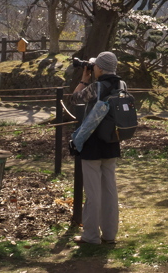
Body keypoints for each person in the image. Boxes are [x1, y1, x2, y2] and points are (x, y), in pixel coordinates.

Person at [70, 51, 123, 245]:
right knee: (109, 190)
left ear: (99, 68)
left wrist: (84, 79)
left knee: (93, 193)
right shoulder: (121, 85)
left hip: (93, 143)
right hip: (112, 141)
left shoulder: (96, 87)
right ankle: (109, 234)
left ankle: (91, 236)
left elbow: (74, 99)